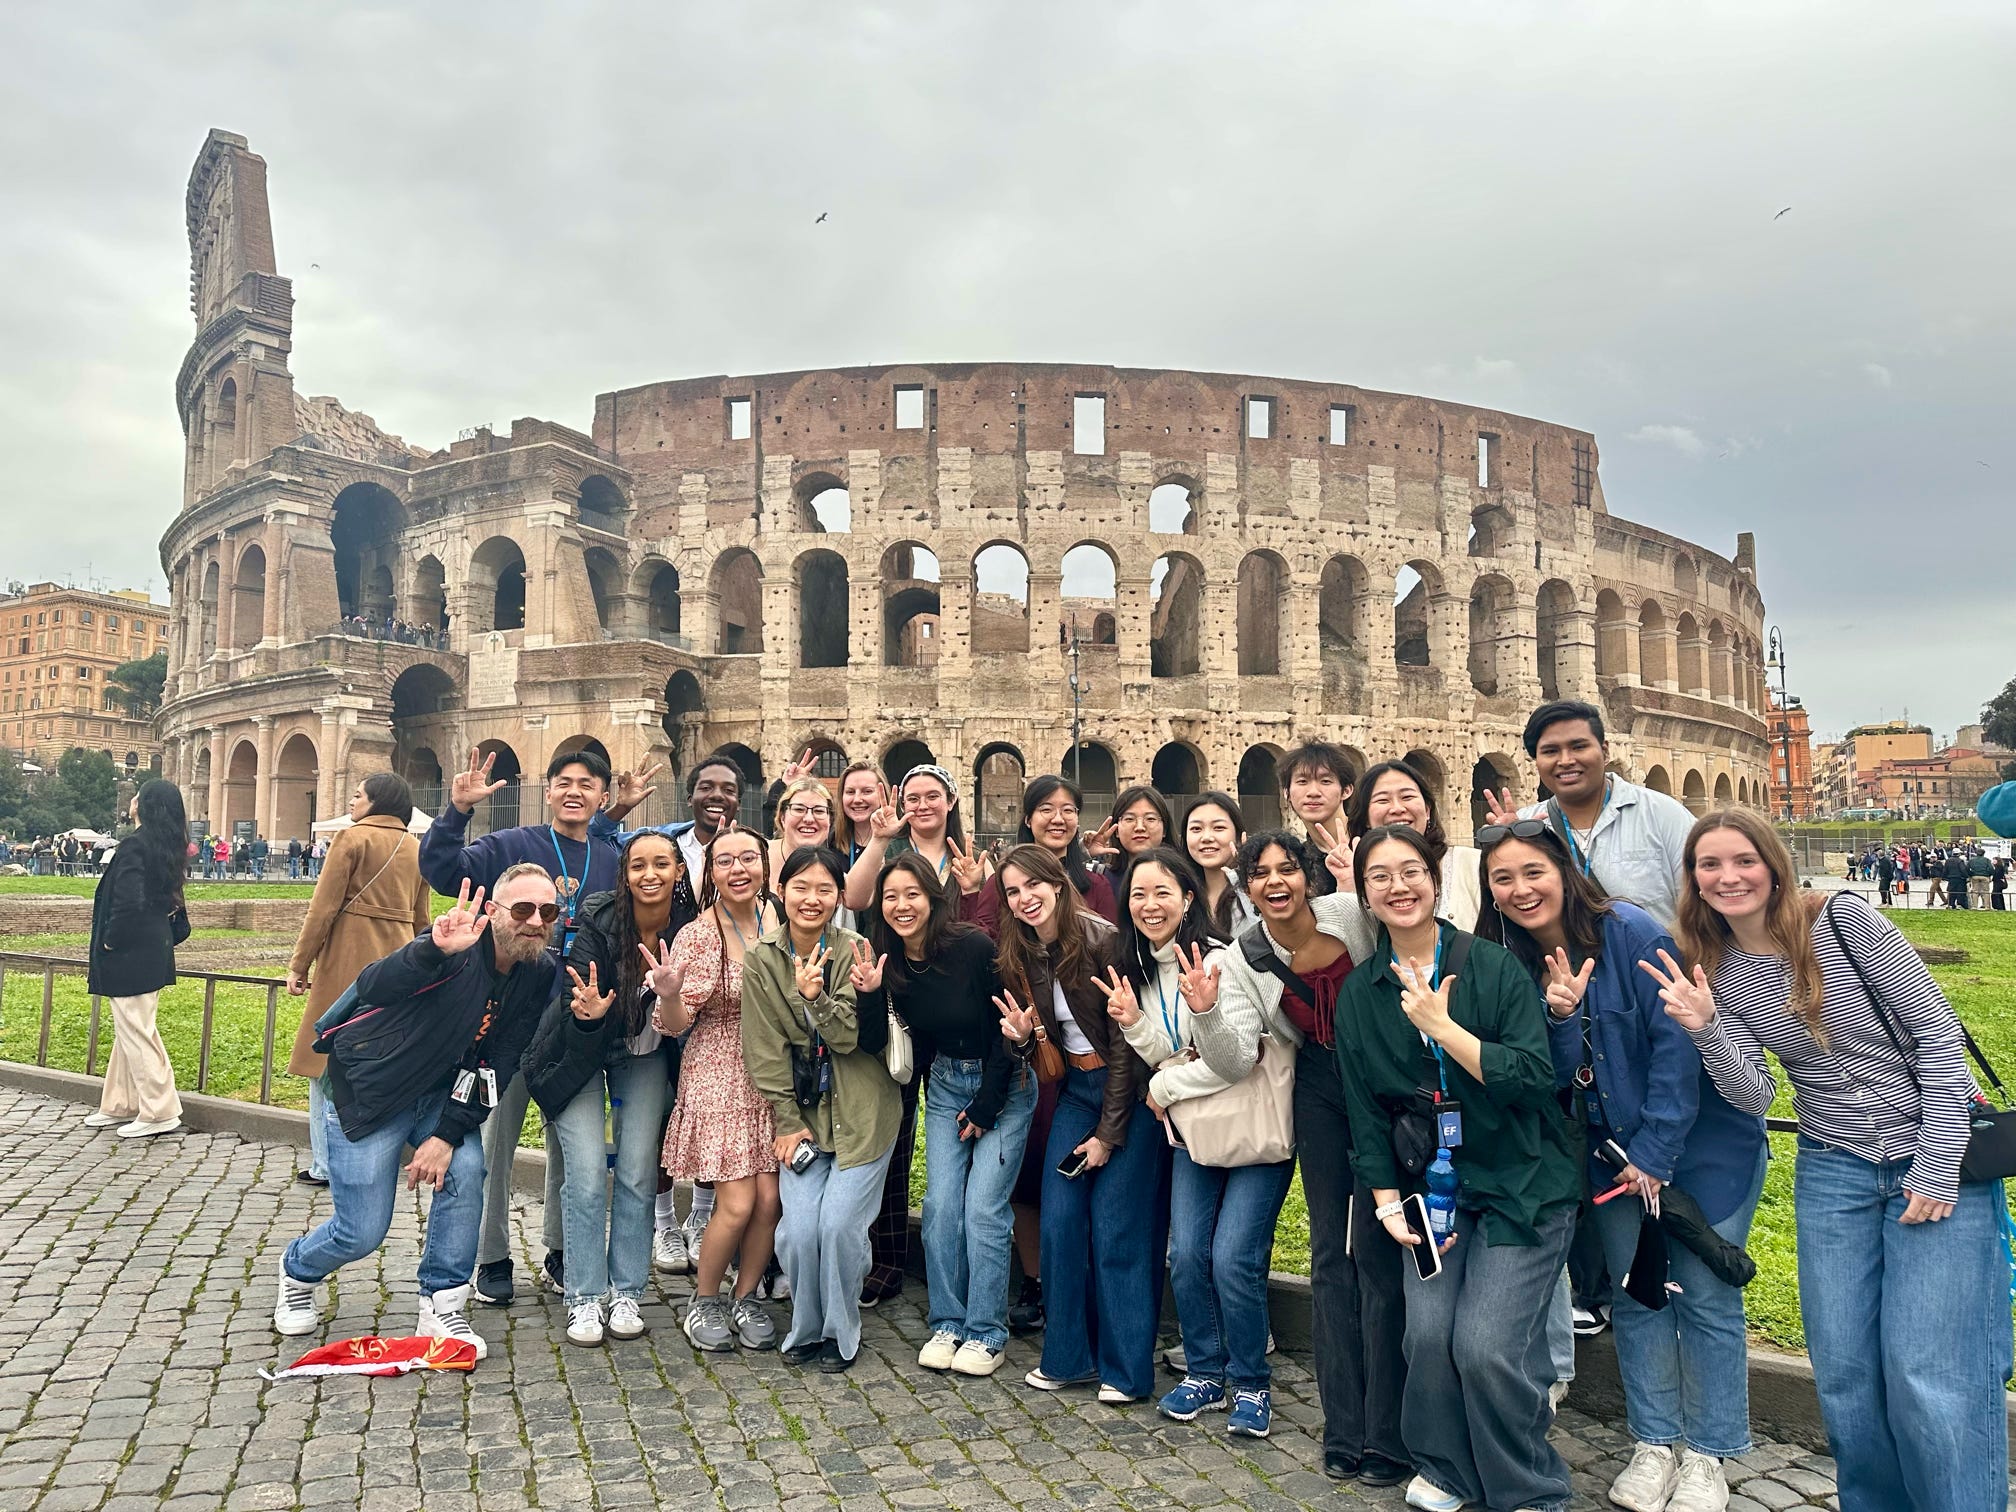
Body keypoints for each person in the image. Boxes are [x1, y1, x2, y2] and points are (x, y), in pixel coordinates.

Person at [1649, 808, 2009, 1512]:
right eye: (1710, 865)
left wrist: (1936, 1165)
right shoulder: (1715, 966)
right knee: (1843, 1373)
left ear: (1774, 864)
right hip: (1833, 1168)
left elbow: (1938, 1039)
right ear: (1692, 879)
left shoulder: (1841, 921)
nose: (1729, 878)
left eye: (1743, 860)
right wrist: (1709, 1029)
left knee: (1930, 1374)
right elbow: (1754, 1094)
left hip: (1935, 1153)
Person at [1477, 819, 1766, 1511]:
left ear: (1567, 871)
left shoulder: (1631, 930)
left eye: (1533, 872)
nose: (1520, 890)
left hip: (1701, 1148)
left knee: (1706, 1299)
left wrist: (1656, 1155)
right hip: (1613, 1158)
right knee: (1638, 1300)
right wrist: (1557, 1015)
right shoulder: (1512, 958)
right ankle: (1653, 1442)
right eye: (1503, 879)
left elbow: (1677, 1046)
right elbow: (1552, 1077)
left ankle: (1708, 1454)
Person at [1332, 823, 1581, 1512]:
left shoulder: (1492, 967)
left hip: (1521, 1183)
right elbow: (1363, 1109)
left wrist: (1444, 1030)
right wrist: (1386, 1203)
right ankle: (1448, 1468)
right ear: (1365, 894)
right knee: (1428, 1334)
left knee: (1485, 1347)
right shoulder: (1362, 992)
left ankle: (1528, 1486)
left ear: (1435, 880)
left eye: (1409, 870)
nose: (1397, 887)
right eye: (1379, 876)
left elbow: (1535, 1078)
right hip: (1433, 1194)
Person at [273, 869, 560, 1361]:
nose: (535, 921)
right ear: (493, 912)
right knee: (361, 1230)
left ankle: (442, 1303)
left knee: (468, 1169)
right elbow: (375, 985)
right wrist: (430, 948)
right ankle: (298, 1270)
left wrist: (446, 1135)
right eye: (522, 909)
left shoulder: (539, 972)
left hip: (440, 1092)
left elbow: (504, 1056)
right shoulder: (453, 946)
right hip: (374, 1089)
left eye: (547, 912)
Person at [1188, 830, 1402, 1485]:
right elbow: (1233, 1058)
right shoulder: (1246, 958)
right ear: (1248, 886)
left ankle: (1389, 1428)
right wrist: (1203, 1013)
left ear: (1308, 878)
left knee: (1380, 1247)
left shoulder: (1348, 914)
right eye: (1261, 873)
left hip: (1382, 1082)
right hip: (1317, 1088)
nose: (1275, 882)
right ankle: (1344, 1427)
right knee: (1329, 1259)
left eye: (1287, 869)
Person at [1104, 848, 1295, 1437]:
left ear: (1189, 898)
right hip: (1198, 1133)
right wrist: (1136, 1025)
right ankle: (1206, 1371)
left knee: (1234, 1257)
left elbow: (1235, 1058)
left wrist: (1161, 1084)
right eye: (1138, 894)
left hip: (1253, 1129)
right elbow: (1176, 1052)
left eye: (1162, 891)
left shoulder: (1222, 961)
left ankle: (1252, 1381)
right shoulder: (1148, 969)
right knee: (1186, 1254)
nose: (1149, 905)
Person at [422, 745, 621, 1308]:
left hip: (574, 1025)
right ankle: (491, 1257)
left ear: (601, 796)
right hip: (506, 1016)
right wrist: (456, 813)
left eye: (587, 783)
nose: (574, 791)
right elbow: (443, 872)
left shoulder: (610, 854)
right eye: (563, 781)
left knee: (568, 1148)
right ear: (547, 788)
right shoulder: (513, 846)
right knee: (494, 1143)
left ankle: (560, 1252)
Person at [994, 844, 1168, 1404]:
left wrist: (1109, 1134)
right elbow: (1049, 1050)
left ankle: (1126, 1371)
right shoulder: (1021, 950)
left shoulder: (1102, 941)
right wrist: (1023, 1041)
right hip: (1074, 1093)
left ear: (1057, 883)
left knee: (1117, 1230)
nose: (1024, 900)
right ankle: (1069, 1358)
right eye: (1013, 892)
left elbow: (1126, 1049)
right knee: (1060, 1222)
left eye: (1033, 886)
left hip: (1129, 1098)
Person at [860, 853, 1030, 1377]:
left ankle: (986, 1332)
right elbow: (873, 1043)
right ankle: (948, 1322)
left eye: (912, 894)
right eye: (891, 896)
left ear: (933, 898)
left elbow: (1009, 1025)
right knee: (938, 1210)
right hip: (946, 1087)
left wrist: (987, 1103)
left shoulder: (971, 947)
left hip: (1003, 1082)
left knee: (982, 1209)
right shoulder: (889, 961)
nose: (901, 905)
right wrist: (869, 994)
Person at [525, 831, 694, 1346]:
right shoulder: (601, 918)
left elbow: (685, 1017)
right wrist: (593, 1013)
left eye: (660, 864)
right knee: (585, 1174)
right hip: (585, 1047)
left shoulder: (689, 928)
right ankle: (582, 1296)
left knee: (639, 1172)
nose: (649, 874)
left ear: (678, 872)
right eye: (637, 865)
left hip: (641, 1054)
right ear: (624, 874)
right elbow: (582, 984)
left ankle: (627, 1291)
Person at [742, 846, 899, 1372]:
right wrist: (787, 1123)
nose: (811, 899)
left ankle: (840, 1332)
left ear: (839, 898)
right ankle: (806, 1328)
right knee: (798, 1230)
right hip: (805, 1119)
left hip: (862, 1114)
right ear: (780, 891)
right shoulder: (763, 959)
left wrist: (812, 1000)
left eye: (824, 889)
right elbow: (763, 1049)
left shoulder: (855, 951)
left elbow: (853, 1038)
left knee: (837, 1227)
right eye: (800, 887)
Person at [595, 751, 746, 1273]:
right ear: (692, 794)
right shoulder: (665, 839)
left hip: (709, 1004)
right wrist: (618, 809)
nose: (717, 797)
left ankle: (702, 1216)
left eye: (727, 789)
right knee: (658, 1118)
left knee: (707, 1115)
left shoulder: (742, 850)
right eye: (707, 787)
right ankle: (663, 1224)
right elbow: (604, 842)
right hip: (656, 991)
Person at [658, 825, 783, 1353]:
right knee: (736, 1201)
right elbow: (677, 1022)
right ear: (709, 873)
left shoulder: (777, 917)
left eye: (748, 858)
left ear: (764, 864)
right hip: (720, 1066)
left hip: (772, 1069)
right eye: (725, 860)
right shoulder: (701, 933)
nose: (738, 869)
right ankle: (704, 1300)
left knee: (771, 1200)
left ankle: (747, 1294)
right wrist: (666, 994)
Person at [283, 774, 432, 1187]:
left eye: (358, 795)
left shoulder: (351, 839)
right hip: (399, 964)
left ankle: (326, 1163)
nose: (352, 801)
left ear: (377, 801)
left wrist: (299, 964)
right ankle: (381, 1157)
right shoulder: (416, 847)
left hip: (348, 960)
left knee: (324, 1059)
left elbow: (322, 909)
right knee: (385, 1058)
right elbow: (423, 920)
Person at [1482, 700, 1697, 931]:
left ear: (1604, 751)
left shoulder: (1663, 815)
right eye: (1550, 751)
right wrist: (1509, 848)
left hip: (1650, 964)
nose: (1565, 761)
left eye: (1578, 747)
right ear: (1537, 761)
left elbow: (1700, 908)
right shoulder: (1527, 826)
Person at [84, 780, 189, 1140]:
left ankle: (160, 1110)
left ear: (144, 806)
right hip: (151, 950)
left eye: (137, 796)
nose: (131, 800)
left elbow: (128, 903)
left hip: (130, 952)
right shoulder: (166, 846)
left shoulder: (134, 846)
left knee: (137, 1031)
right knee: (129, 1029)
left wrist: (112, 942)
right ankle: (120, 1102)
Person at [1344, 759, 1482, 929]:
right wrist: (1349, 888)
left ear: (1427, 810)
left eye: (1407, 797)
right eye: (1382, 800)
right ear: (1365, 817)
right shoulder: (1357, 874)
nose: (1397, 808)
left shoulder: (1473, 863)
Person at [1277, 742, 1359, 888]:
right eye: (1302, 781)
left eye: (1325, 781)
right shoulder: (1298, 860)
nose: (1313, 792)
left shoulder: (1371, 842)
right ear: (1286, 793)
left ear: (1346, 790)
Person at [1183, 791, 1257, 936]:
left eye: (1218, 828)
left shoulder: (1255, 890)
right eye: (1196, 829)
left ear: (1238, 835)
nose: (1206, 837)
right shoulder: (1182, 894)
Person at [1087, 784, 1174, 871]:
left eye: (1150, 818)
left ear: (1164, 830)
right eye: (1129, 819)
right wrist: (1083, 853)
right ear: (1116, 830)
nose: (1139, 828)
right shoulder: (1100, 879)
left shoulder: (1182, 878)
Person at [835, 759, 888, 868]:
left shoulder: (900, 844)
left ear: (882, 794)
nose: (857, 799)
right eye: (850, 792)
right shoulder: (830, 841)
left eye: (867, 791)